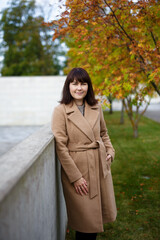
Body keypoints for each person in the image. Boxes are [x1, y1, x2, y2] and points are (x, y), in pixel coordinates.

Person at [51, 68, 117, 240]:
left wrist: (110, 151)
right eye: (75, 84)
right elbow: (61, 147)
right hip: (78, 171)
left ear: (88, 86)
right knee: (85, 223)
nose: (79, 88)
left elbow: (104, 133)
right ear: (68, 86)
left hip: (98, 167)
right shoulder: (61, 111)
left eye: (83, 83)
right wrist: (76, 177)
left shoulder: (96, 106)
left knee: (93, 224)